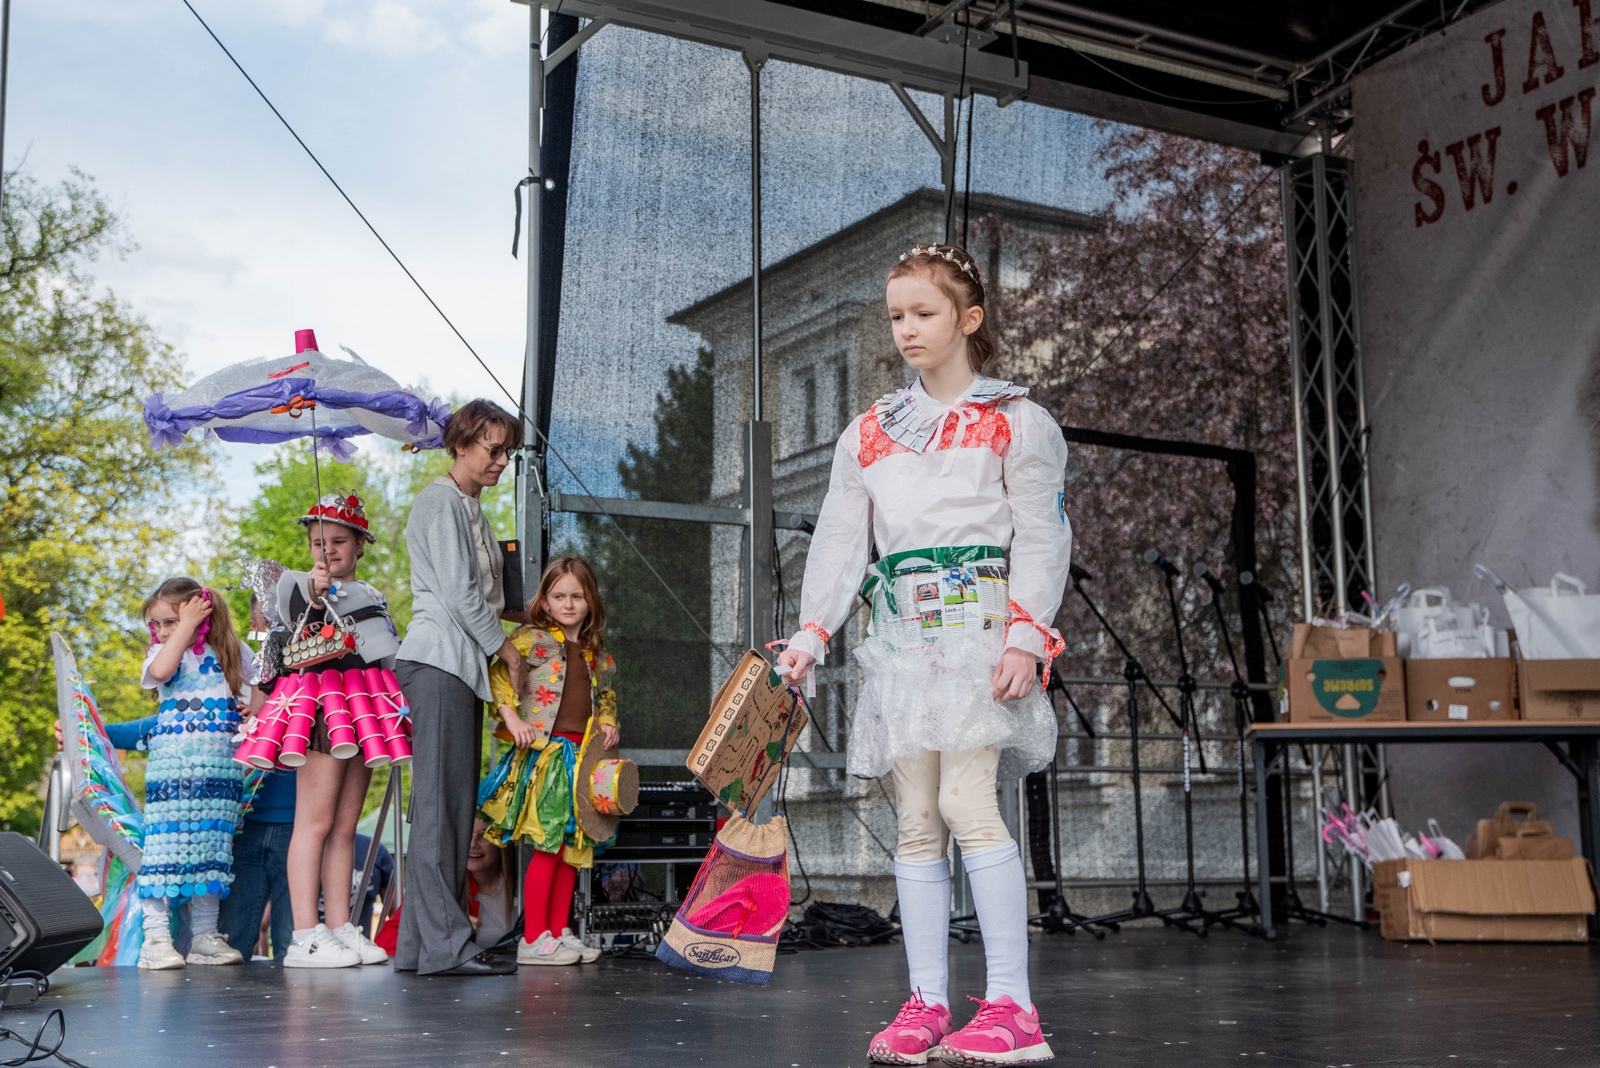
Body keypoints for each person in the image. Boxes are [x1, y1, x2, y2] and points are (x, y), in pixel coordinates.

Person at [776, 244, 1070, 1067]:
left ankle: (1013, 1005)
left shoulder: (1015, 419)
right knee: (915, 820)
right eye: (896, 315)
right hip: (903, 642)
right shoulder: (870, 433)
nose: (906, 329)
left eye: (924, 313)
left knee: (968, 804)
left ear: (969, 319)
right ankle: (928, 1002)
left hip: (979, 634)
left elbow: (1043, 534)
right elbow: (842, 540)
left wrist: (1025, 635)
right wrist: (811, 632)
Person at [393, 398, 529, 976]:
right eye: (493, 450)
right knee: (439, 812)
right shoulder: (440, 500)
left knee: (449, 809)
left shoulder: (470, 508)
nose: (501, 461)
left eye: (508, 453)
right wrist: (505, 649)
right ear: (461, 445)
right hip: (439, 662)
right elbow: (459, 594)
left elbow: (490, 597)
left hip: (459, 668)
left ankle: (419, 949)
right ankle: (446, 945)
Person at [270, 493, 397, 969]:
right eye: (318, 542)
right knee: (315, 823)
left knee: (345, 827)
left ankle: (342, 926)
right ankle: (305, 934)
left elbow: (387, 654)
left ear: (360, 544)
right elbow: (289, 612)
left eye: (339, 541)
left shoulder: (372, 596)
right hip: (323, 709)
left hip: (366, 710)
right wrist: (315, 588)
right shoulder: (298, 585)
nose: (328, 550)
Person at [477, 556, 618, 966]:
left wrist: (608, 722)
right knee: (549, 844)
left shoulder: (597, 655)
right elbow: (498, 677)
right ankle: (533, 937)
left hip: (583, 761)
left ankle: (558, 932)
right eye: (559, 596)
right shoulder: (530, 640)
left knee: (574, 846)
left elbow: (606, 696)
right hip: (547, 756)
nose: (568, 604)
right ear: (545, 601)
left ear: (591, 601)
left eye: (577, 596)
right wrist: (512, 719)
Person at [136, 578, 263, 970]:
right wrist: (184, 627)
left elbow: (263, 684)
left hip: (220, 775)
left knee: (212, 851)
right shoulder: (163, 653)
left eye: (170, 622)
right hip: (173, 774)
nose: (161, 632)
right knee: (163, 851)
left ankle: (205, 935)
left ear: (201, 615)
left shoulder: (231, 651)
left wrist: (254, 708)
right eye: (156, 624)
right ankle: (156, 937)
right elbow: (161, 670)